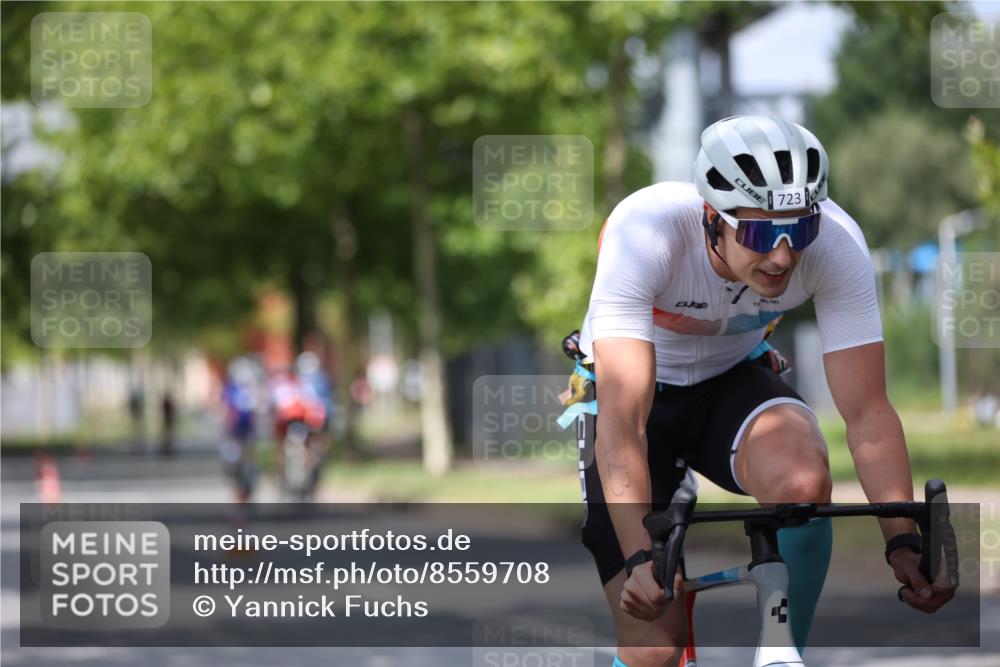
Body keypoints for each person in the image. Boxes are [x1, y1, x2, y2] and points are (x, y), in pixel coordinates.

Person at [574, 116, 955, 667]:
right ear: (711, 219)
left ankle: (780, 655)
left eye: (798, 230)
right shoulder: (646, 230)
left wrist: (900, 538)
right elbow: (624, 422)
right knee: (655, 644)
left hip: (732, 383)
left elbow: (868, 412)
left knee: (802, 481)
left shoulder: (838, 243)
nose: (781, 255)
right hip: (635, 407)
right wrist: (640, 555)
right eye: (757, 233)